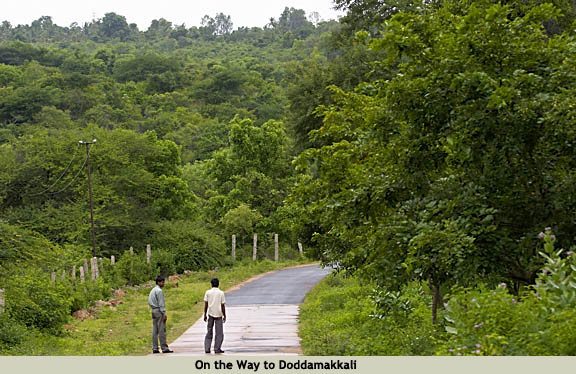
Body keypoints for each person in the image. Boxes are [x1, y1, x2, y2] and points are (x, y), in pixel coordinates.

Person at [148, 276, 174, 354]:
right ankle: (164, 348)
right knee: (162, 329)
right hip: (159, 311)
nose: (163, 283)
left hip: (153, 310)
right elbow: (161, 303)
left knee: (155, 330)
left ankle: (155, 348)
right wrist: (164, 313)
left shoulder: (153, 290)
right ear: (158, 282)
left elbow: (149, 301)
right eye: (162, 282)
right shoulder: (159, 291)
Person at [204, 277, 226, 354]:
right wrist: (224, 315)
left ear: (211, 284)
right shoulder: (221, 293)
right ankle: (217, 348)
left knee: (209, 331)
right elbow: (223, 305)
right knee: (219, 333)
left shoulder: (208, 292)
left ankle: (207, 348)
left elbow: (206, 304)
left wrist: (205, 314)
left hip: (210, 314)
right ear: (218, 284)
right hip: (219, 314)